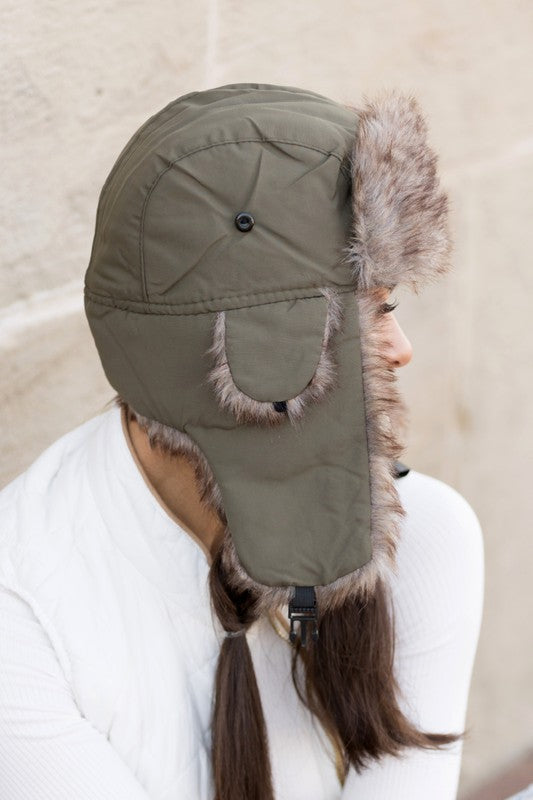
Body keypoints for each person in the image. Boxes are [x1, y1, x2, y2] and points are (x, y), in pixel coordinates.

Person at [0, 83, 485, 800]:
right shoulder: (21, 606)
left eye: (391, 307)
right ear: (246, 361)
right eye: (366, 315)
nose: (401, 348)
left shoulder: (426, 536)